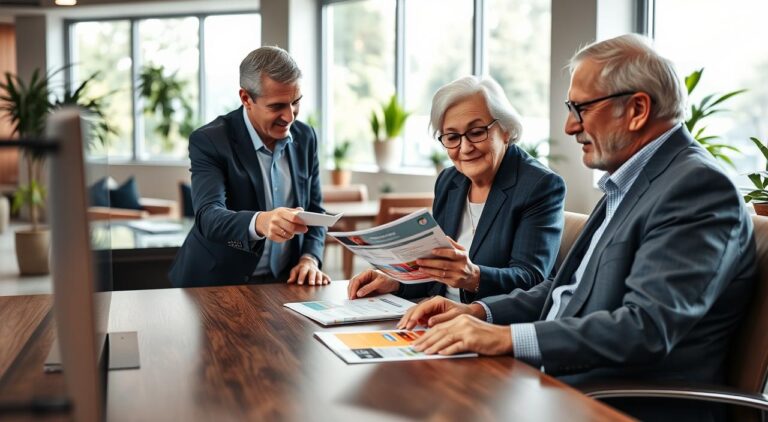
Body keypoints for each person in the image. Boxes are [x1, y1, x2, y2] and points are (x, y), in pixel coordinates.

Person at [396, 34, 756, 421]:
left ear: (637, 109)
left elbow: (646, 328)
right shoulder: (632, 182)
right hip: (559, 382)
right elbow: (564, 291)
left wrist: (507, 337)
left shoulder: (696, 188)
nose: (569, 126)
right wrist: (480, 313)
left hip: (613, 401)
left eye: (580, 108)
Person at [348, 76, 565, 303]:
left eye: (477, 132)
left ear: (506, 130)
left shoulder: (540, 185)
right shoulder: (449, 181)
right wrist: (396, 281)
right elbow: (438, 272)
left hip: (490, 325)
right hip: (437, 314)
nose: (465, 148)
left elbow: (531, 280)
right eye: (452, 137)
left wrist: (473, 277)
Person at [169, 46, 330, 287]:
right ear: (246, 99)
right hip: (215, 284)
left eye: (295, 102)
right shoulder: (210, 141)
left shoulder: (306, 137)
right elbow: (209, 217)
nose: (290, 116)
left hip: (283, 283)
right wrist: (261, 222)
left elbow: (315, 210)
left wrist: (309, 259)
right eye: (277, 106)